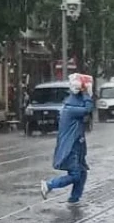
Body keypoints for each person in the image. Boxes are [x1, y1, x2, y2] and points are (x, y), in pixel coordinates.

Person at [39, 75, 94, 206]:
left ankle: (74, 199)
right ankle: (49, 185)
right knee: (75, 174)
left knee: (82, 172)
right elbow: (88, 109)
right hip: (71, 146)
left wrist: (85, 93)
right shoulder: (70, 108)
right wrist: (86, 93)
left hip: (77, 144)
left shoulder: (71, 105)